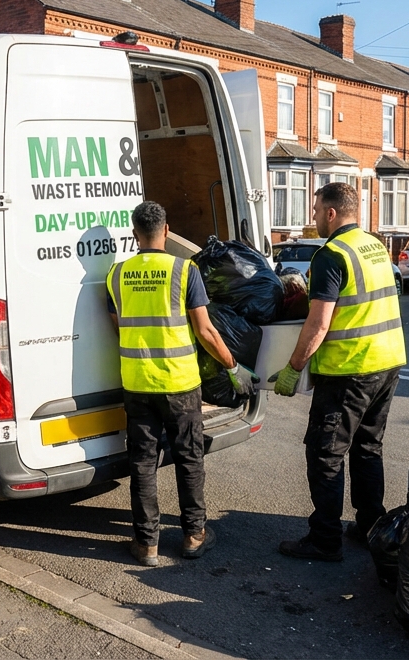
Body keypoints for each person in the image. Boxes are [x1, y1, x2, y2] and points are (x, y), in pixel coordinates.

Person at [107, 200, 256, 567]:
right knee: (189, 457)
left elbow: (118, 326)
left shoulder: (116, 275)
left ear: (134, 234)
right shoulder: (183, 270)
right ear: (167, 231)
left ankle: (147, 545)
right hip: (180, 384)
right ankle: (193, 535)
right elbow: (205, 330)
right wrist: (233, 366)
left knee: (142, 462)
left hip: (138, 383)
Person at [270, 182, 406, 561]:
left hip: (350, 369)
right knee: (367, 448)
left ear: (331, 213)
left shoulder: (331, 255)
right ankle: (370, 526)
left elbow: (319, 324)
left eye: (316, 212)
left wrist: (292, 367)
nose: (314, 220)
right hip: (388, 361)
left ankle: (325, 539)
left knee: (325, 453)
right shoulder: (374, 245)